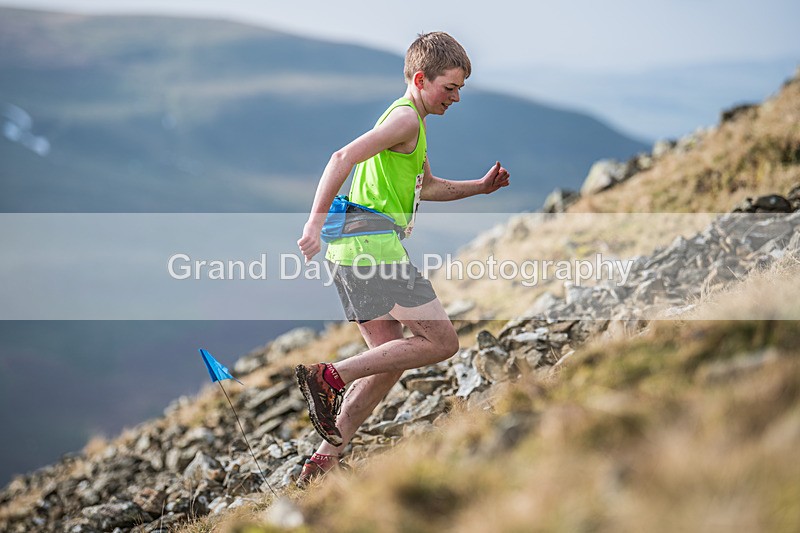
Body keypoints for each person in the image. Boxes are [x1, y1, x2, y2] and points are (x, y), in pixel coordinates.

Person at [294, 31, 510, 486]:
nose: (456, 97)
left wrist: (479, 187)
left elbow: (426, 187)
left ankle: (322, 463)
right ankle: (328, 375)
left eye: (460, 89)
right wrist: (312, 223)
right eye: (450, 87)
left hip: (354, 245)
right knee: (442, 341)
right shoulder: (406, 120)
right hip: (370, 244)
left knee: (389, 360)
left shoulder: (412, 122)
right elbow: (341, 157)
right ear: (421, 78)